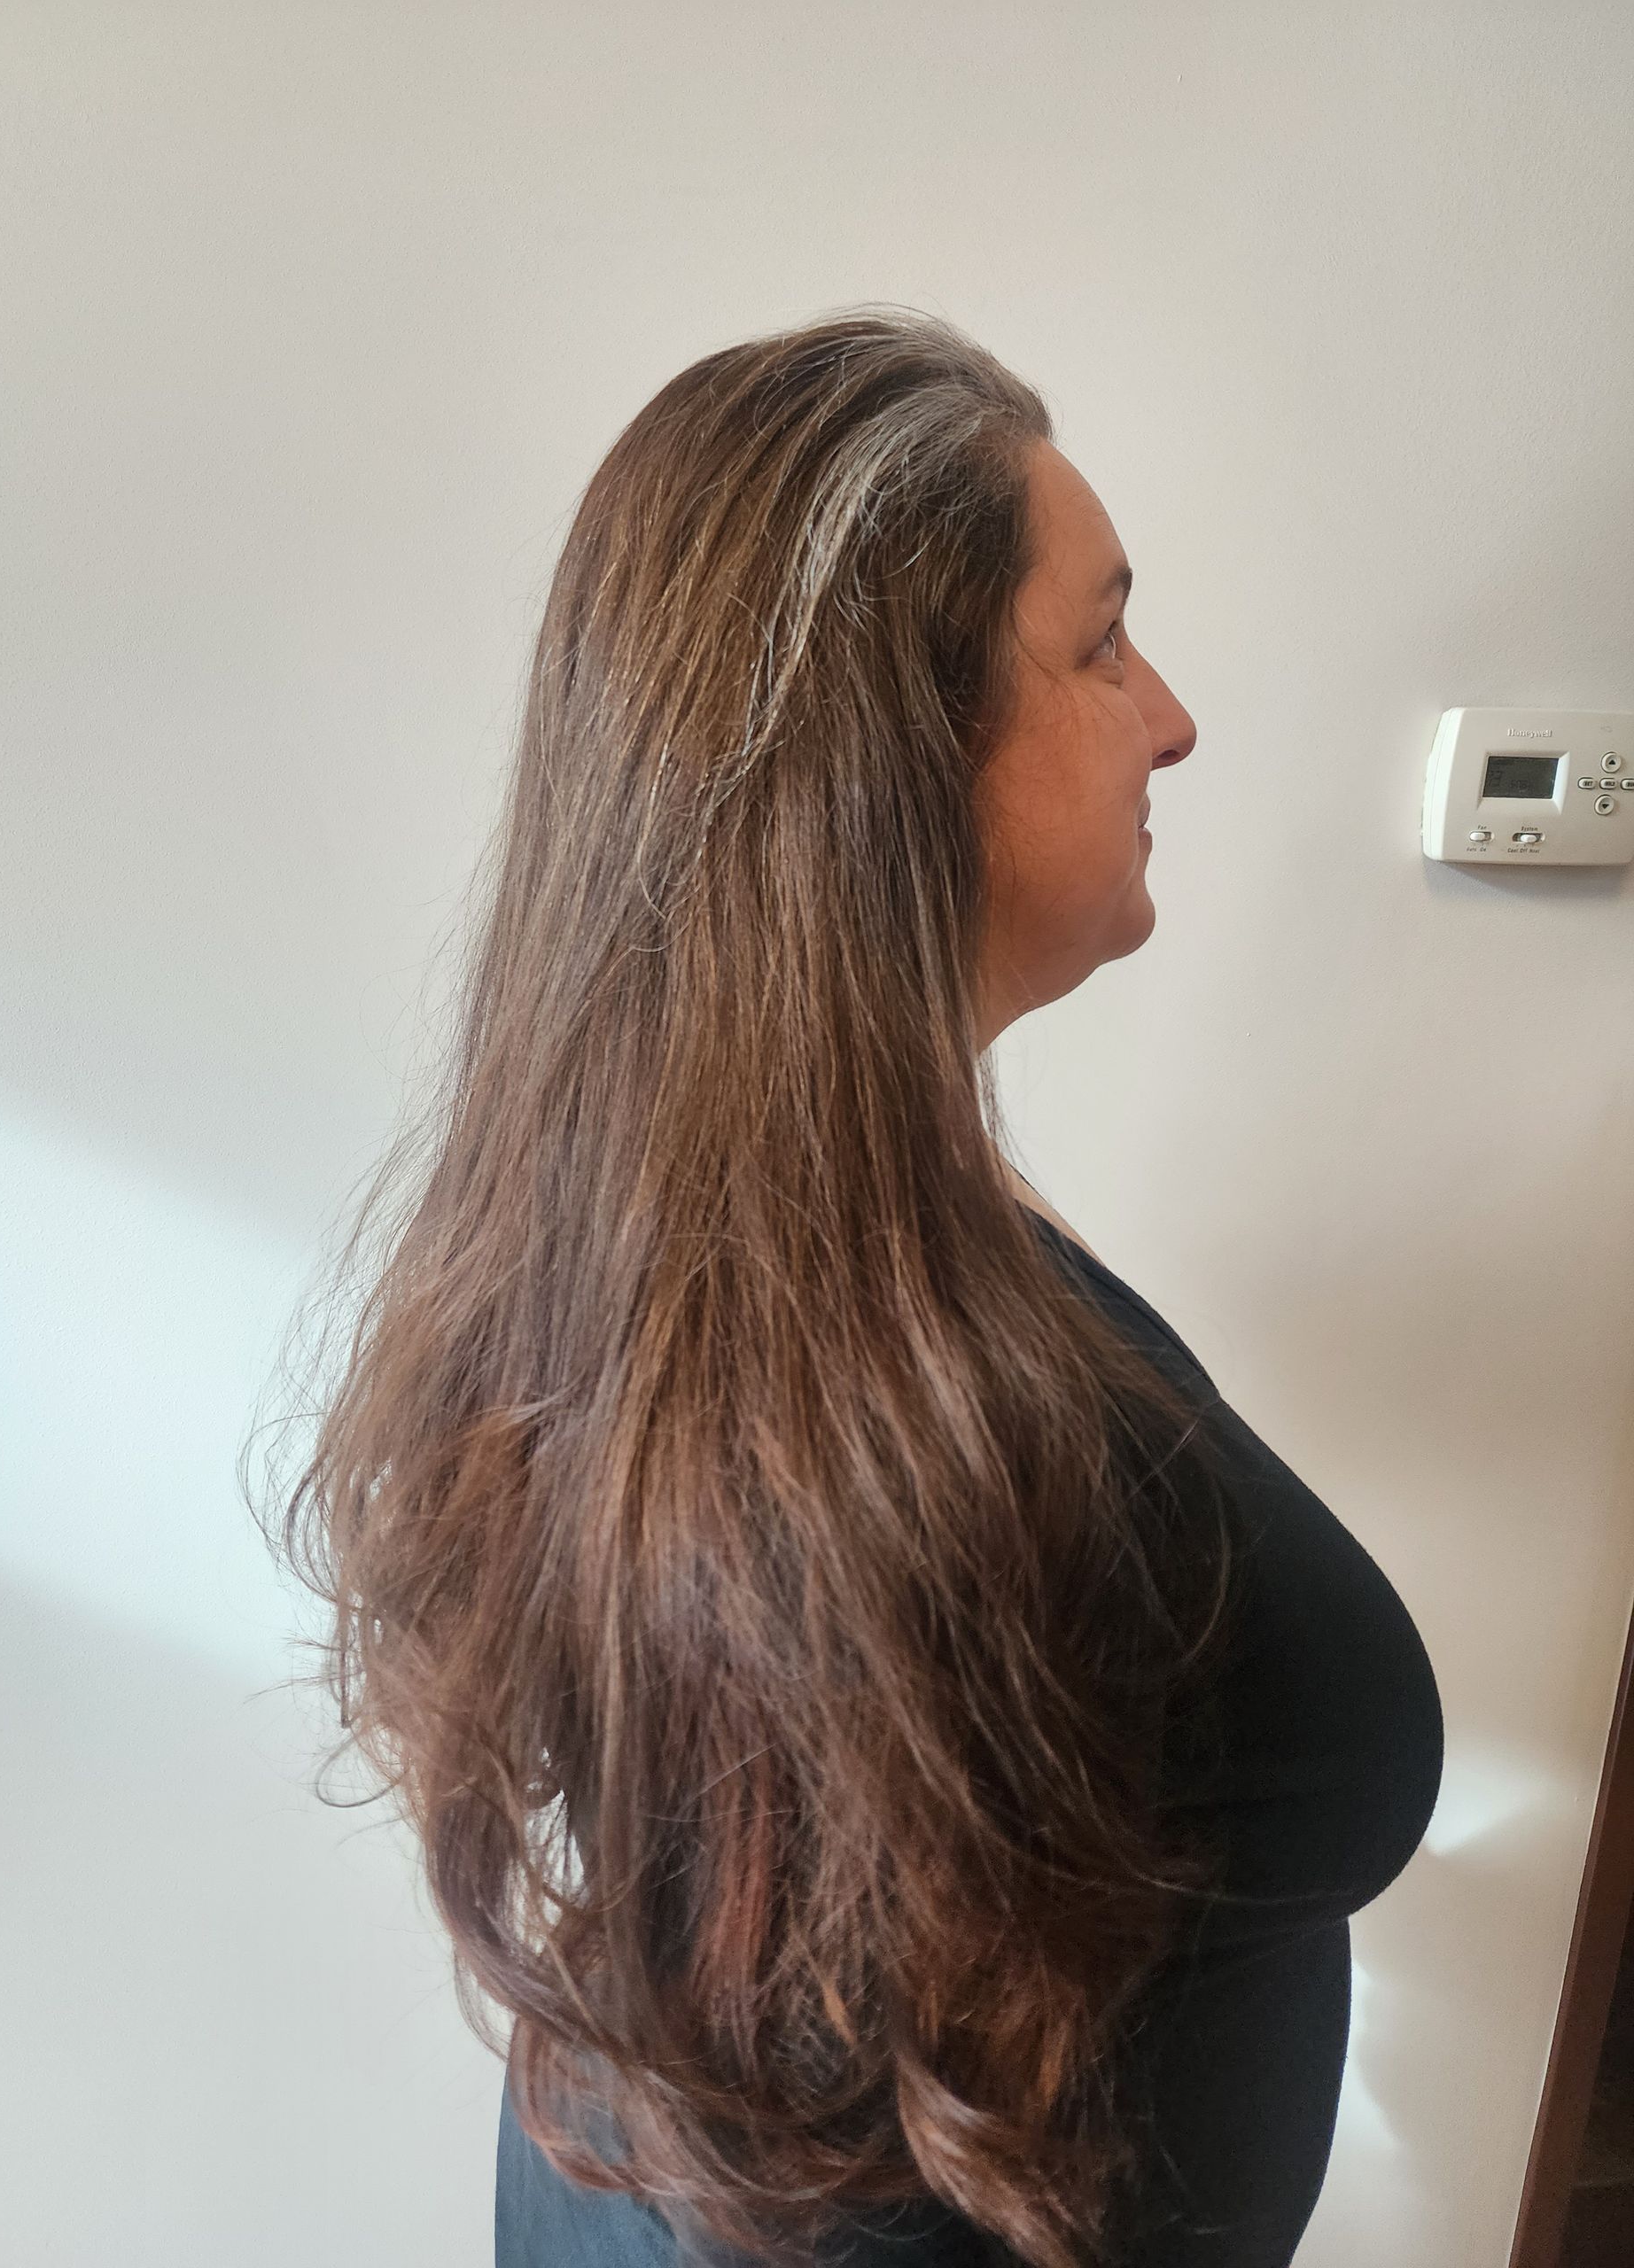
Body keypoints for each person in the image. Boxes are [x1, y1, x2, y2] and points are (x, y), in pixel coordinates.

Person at [257, 306, 1443, 2267]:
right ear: (898, 749)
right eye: (1101, 641)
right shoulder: (849, 1418)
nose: (1172, 715)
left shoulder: (761, 1237)